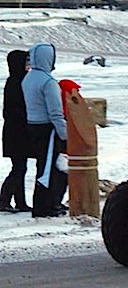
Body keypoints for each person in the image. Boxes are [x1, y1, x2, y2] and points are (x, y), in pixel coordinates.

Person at [22, 43, 68, 218]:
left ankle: (41, 204)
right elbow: (55, 113)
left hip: (32, 125)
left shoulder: (28, 78)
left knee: (42, 166)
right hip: (47, 129)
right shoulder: (48, 82)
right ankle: (45, 207)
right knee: (49, 169)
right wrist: (65, 135)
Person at [0, 50, 32, 213]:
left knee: (21, 167)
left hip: (17, 132)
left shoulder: (18, 80)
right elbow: (13, 110)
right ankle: (4, 199)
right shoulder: (15, 83)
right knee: (18, 168)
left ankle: (20, 202)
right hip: (16, 133)